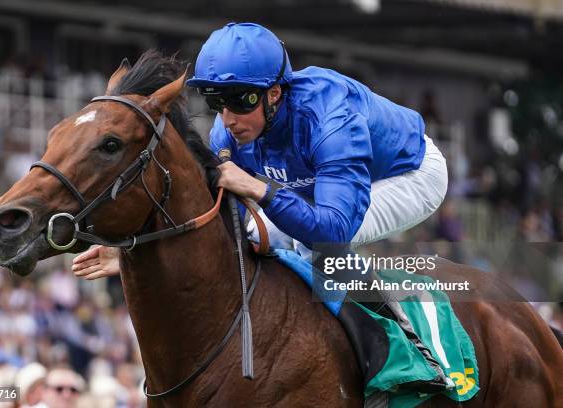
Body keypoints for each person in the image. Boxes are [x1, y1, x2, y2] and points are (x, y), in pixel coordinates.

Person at [73, 23, 450, 391]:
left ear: (274, 93)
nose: (229, 118)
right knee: (254, 234)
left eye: (242, 101)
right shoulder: (230, 132)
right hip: (320, 180)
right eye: (217, 102)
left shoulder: (330, 117)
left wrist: (262, 189)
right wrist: (136, 251)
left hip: (408, 175)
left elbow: (334, 228)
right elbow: (223, 229)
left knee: (316, 248)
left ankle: (410, 352)